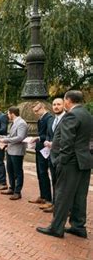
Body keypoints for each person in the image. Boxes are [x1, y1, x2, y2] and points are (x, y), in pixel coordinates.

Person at [37, 90, 93, 239]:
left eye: (63, 100)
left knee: (62, 194)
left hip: (70, 163)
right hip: (84, 161)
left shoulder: (71, 115)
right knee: (80, 195)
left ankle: (56, 228)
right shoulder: (88, 115)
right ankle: (78, 226)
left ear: (68, 100)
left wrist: (61, 161)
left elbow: (67, 142)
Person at [41, 98, 66, 213]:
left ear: (64, 105)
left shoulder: (67, 119)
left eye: (59, 104)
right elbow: (48, 134)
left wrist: (54, 144)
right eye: (54, 104)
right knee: (54, 181)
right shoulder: (51, 120)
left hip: (62, 156)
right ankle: (55, 204)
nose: (56, 106)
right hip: (52, 155)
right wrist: (46, 141)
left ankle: (65, 208)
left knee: (63, 184)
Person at [0, 107, 28, 200]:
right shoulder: (14, 123)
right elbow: (12, 135)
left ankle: (17, 192)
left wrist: (5, 140)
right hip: (10, 150)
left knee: (18, 171)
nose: (7, 116)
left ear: (12, 113)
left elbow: (20, 137)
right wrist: (2, 137)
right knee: (10, 170)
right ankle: (12, 187)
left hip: (17, 151)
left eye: (8, 114)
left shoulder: (22, 123)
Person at [29, 102, 54, 207]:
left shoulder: (49, 118)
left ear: (42, 107)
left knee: (43, 173)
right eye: (34, 111)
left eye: (37, 110)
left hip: (45, 149)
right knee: (40, 173)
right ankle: (42, 195)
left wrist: (38, 138)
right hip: (40, 148)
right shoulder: (41, 118)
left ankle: (48, 198)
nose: (36, 113)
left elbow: (48, 134)